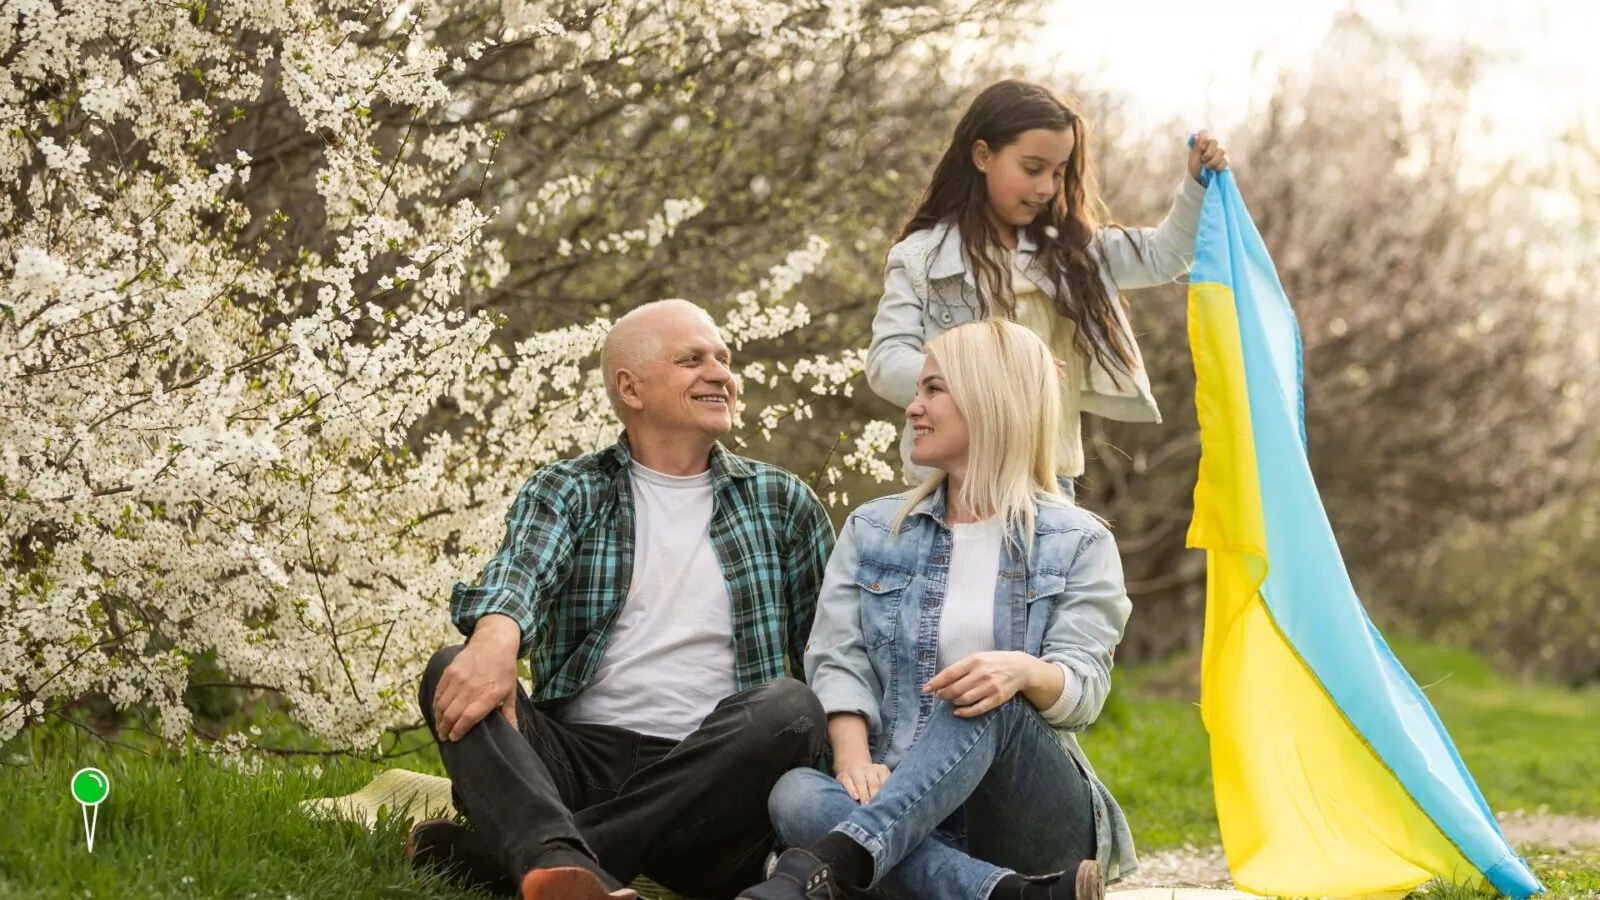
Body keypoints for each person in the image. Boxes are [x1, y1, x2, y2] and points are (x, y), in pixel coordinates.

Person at [409, 299, 836, 900]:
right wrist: (497, 631)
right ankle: (563, 855)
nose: (720, 374)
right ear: (630, 389)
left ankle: (547, 858)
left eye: (724, 358)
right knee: (452, 667)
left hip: (717, 770)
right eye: (692, 359)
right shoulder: (571, 488)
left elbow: (831, 650)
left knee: (792, 705)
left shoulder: (781, 500)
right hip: (574, 763)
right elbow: (520, 572)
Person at [739, 319, 1136, 900]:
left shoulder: (1076, 540)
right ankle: (1010, 895)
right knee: (796, 793)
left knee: (989, 689)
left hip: (1027, 811)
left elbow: (1085, 690)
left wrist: (1022, 672)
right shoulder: (873, 530)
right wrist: (851, 757)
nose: (913, 408)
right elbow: (837, 655)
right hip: (898, 797)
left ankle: (829, 862)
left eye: (933, 390)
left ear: (988, 399)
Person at [866, 79, 1229, 493]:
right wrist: (988, 372)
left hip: (1049, 480)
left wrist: (1197, 186)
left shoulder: (1073, 252)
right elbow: (886, 363)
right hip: (951, 482)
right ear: (983, 155)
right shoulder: (922, 257)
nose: (1047, 188)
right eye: (1033, 169)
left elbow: (1165, 256)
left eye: (1058, 173)